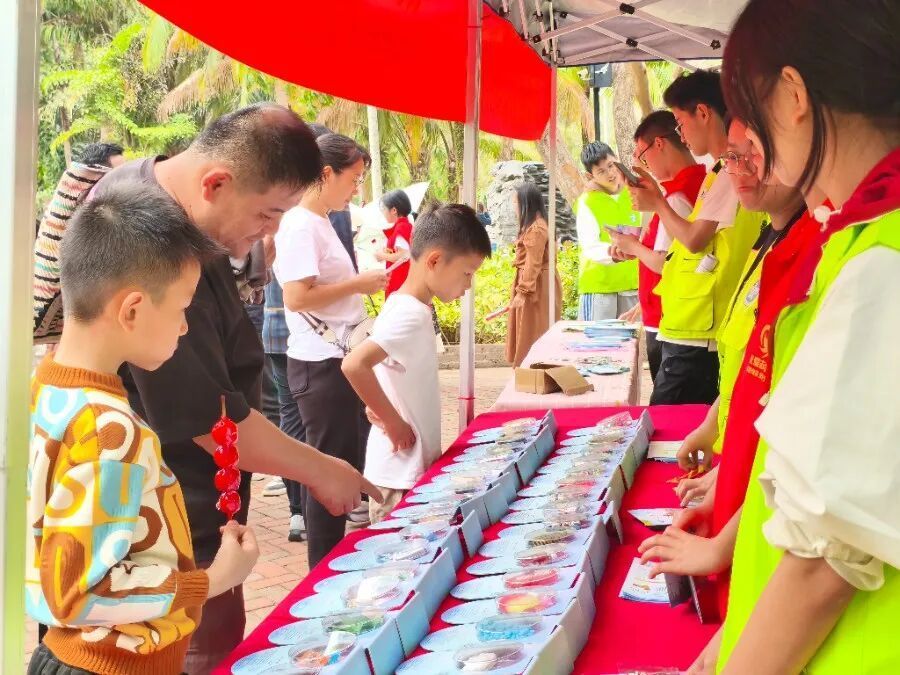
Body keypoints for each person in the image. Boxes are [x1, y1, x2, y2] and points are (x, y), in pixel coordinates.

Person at [82, 104, 382, 672]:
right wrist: (320, 469)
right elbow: (206, 418)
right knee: (200, 653)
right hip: (171, 540)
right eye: (267, 214)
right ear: (216, 184)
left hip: (200, 516)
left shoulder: (180, 212)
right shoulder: (147, 233)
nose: (269, 234)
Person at [693, 1, 899, 672]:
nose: (752, 145)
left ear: (793, 93)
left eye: (751, 111)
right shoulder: (860, 238)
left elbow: (823, 566)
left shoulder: (883, 259)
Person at [26, 184, 259, 675]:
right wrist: (214, 579)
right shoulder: (110, 430)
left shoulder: (43, 389)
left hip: (67, 654)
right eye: (181, 308)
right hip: (113, 664)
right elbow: (79, 592)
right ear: (132, 310)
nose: (184, 327)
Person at [637, 118, 815, 621]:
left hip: (765, 497)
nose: (737, 169)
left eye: (750, 153)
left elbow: (801, 450)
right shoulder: (770, 242)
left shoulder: (817, 251)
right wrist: (714, 433)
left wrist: (722, 541)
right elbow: (750, 366)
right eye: (730, 157)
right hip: (742, 472)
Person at [274, 133, 388, 568]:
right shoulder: (301, 224)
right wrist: (359, 283)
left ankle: (333, 563)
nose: (356, 189)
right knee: (328, 472)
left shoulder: (319, 220)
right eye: (353, 179)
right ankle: (321, 569)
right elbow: (296, 297)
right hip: (320, 364)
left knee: (342, 463)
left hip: (334, 359)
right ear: (326, 174)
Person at [343, 204, 491, 522]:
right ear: (434, 261)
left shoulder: (408, 306)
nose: (468, 285)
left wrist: (382, 407)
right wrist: (393, 422)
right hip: (399, 476)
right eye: (467, 274)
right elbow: (354, 365)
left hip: (406, 470)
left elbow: (384, 369)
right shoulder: (409, 314)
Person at [630, 71, 765, 406]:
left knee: (669, 425)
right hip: (693, 323)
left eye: (680, 123)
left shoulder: (729, 173)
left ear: (703, 113)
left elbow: (694, 240)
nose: (681, 135)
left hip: (703, 330)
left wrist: (657, 204)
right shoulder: (717, 173)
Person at [609, 111, 707, 381]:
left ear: (660, 144)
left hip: (671, 318)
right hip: (680, 313)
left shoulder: (675, 197)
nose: (646, 165)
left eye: (643, 155)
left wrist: (633, 246)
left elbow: (666, 263)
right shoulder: (702, 183)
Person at [574, 141, 640, 320]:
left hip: (633, 287)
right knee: (596, 339)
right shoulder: (587, 202)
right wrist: (617, 254)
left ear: (617, 160)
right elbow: (589, 246)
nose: (610, 173)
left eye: (611, 165)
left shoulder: (635, 194)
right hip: (599, 291)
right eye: (601, 171)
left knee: (633, 337)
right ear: (590, 176)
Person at [505, 181, 562, 367]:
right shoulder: (538, 225)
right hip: (536, 282)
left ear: (526, 204)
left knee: (533, 330)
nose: (515, 208)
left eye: (516, 203)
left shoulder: (537, 228)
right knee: (533, 329)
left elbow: (533, 261)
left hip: (536, 286)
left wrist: (523, 291)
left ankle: (531, 370)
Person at [376, 189, 414, 298]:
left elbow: (403, 255)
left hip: (400, 280)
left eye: (384, 209)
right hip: (401, 279)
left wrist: (382, 255)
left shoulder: (401, 228)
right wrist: (387, 252)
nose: (383, 213)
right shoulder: (405, 226)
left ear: (393, 210)